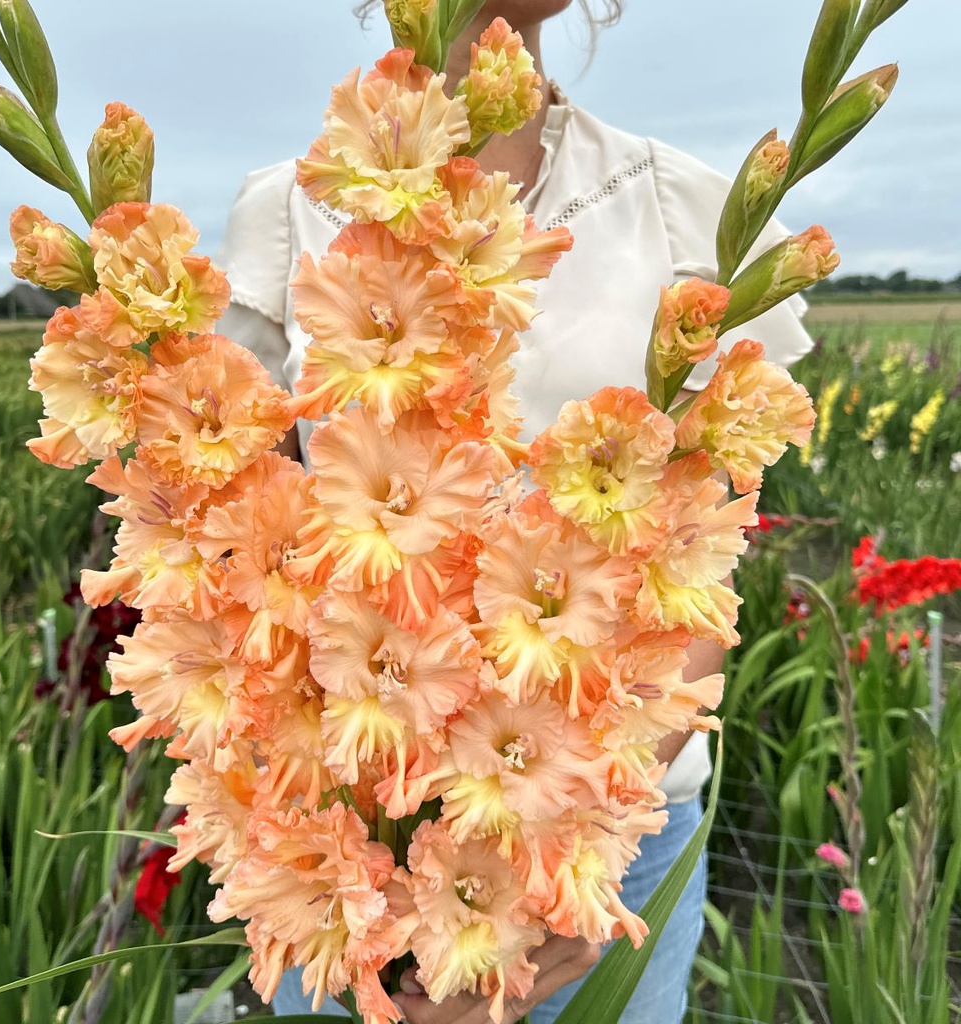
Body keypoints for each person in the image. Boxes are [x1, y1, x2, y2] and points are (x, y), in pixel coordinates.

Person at [215, 2, 813, 1022]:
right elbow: (240, 553)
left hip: (613, 828)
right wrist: (365, 878)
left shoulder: (679, 211)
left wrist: (577, 850)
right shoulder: (289, 211)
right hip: (358, 830)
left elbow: (701, 564)